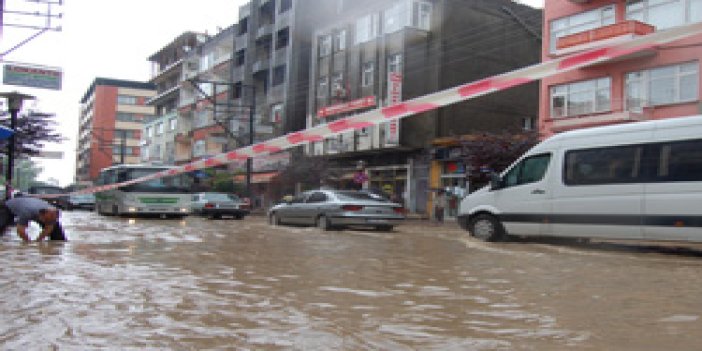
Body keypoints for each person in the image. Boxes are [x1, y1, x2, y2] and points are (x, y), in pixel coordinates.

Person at [0, 196, 66, 242]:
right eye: (47, 220)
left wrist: (38, 241)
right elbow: (20, 230)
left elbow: (49, 228)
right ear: (41, 215)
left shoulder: (52, 213)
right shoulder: (27, 213)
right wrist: (29, 243)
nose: (49, 222)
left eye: (52, 220)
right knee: (2, 226)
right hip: (8, 207)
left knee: (57, 232)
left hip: (31, 205)